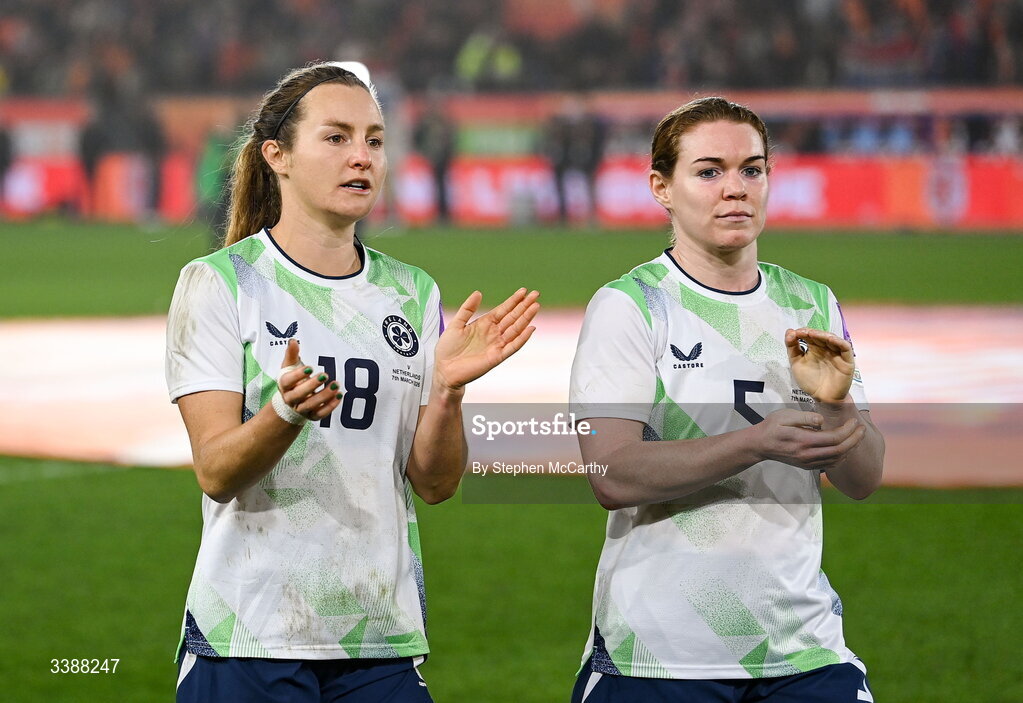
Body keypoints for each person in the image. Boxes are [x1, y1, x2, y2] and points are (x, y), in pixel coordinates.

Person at [165, 61, 539, 703]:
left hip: (379, 641)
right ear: (277, 155)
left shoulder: (411, 292)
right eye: (336, 138)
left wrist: (447, 390)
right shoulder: (220, 283)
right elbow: (216, 470)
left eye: (373, 139)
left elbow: (436, 482)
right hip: (249, 635)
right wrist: (284, 413)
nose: (361, 157)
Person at [569, 97, 884, 702]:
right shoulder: (631, 306)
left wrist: (837, 408)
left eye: (752, 169)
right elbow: (611, 474)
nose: (735, 188)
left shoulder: (809, 302)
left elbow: (865, 478)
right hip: (660, 653)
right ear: (662, 186)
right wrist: (757, 440)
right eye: (709, 171)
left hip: (802, 644)